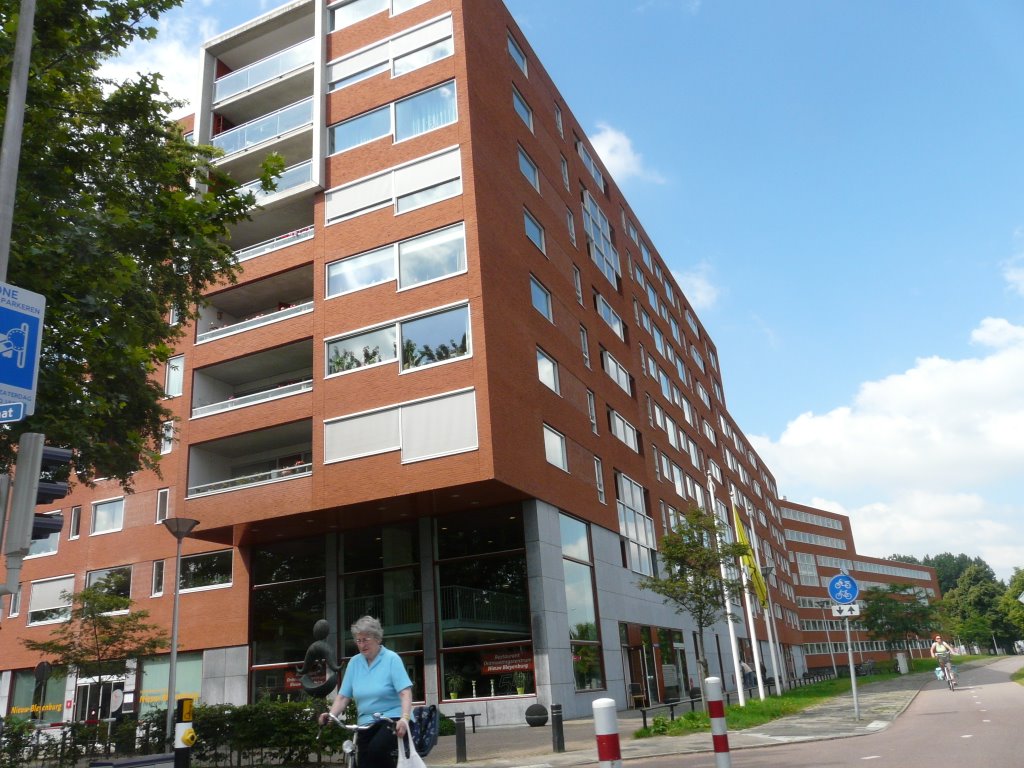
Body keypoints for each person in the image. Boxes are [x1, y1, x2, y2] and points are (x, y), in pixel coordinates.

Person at [318, 616, 413, 768]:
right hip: (366, 724)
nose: (362, 644)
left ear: (377, 639)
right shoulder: (354, 663)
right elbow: (343, 697)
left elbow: (405, 693)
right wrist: (331, 715)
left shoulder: (391, 659)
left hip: (392, 720)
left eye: (366, 639)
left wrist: (405, 718)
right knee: (361, 761)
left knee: (377, 750)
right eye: (358, 640)